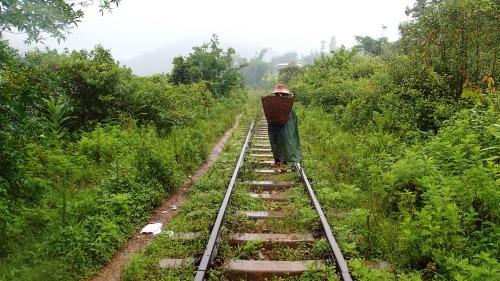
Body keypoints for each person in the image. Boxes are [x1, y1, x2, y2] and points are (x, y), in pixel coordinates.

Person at [267, 84, 302, 172]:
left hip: (282, 127)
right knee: (275, 142)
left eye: (281, 94)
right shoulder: (276, 103)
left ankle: (281, 164)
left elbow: (291, 119)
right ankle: (276, 162)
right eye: (278, 94)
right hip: (275, 127)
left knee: (282, 143)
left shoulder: (287, 104)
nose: (279, 96)